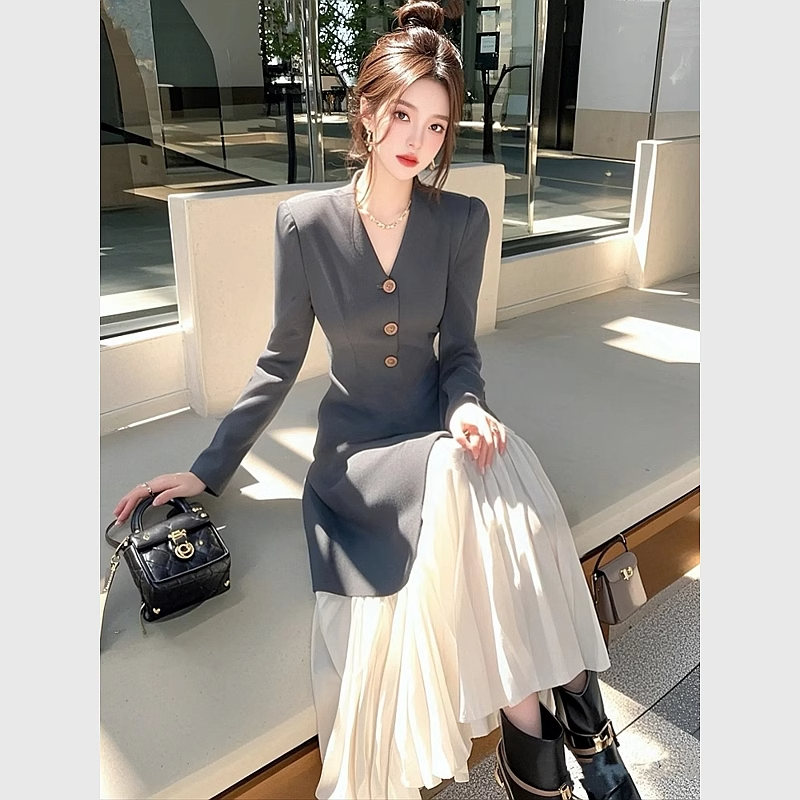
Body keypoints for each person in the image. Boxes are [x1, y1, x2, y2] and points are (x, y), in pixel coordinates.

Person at [113, 4, 641, 799]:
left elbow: (459, 353)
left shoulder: (462, 220)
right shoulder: (305, 225)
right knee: (475, 483)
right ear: (365, 109)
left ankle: (540, 742)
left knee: (493, 463)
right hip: (359, 457)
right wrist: (207, 469)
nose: (417, 140)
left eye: (436, 125)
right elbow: (279, 360)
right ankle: (577, 735)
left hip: (440, 426)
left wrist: (466, 407)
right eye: (402, 114)